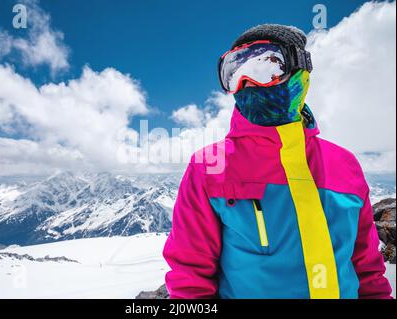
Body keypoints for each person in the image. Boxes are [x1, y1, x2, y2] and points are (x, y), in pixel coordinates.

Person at [162, 24, 392, 299]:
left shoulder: (345, 165)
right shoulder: (210, 166)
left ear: (299, 70)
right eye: (233, 75)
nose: (247, 84)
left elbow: (367, 270)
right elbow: (190, 279)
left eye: (265, 67)